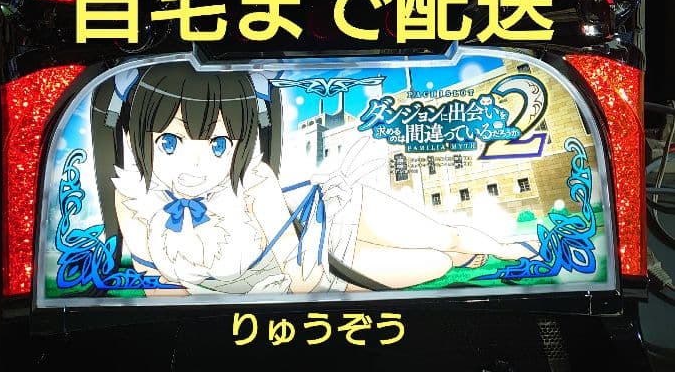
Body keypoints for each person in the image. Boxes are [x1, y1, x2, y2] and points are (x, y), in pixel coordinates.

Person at [90, 63, 536, 296]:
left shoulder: (255, 181)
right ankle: (464, 257)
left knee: (444, 237)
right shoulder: (133, 197)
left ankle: (498, 247)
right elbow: (154, 282)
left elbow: (293, 256)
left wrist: (298, 275)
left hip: (326, 218)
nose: (195, 164)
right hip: (299, 277)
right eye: (169, 142)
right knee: (437, 264)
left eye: (220, 144)